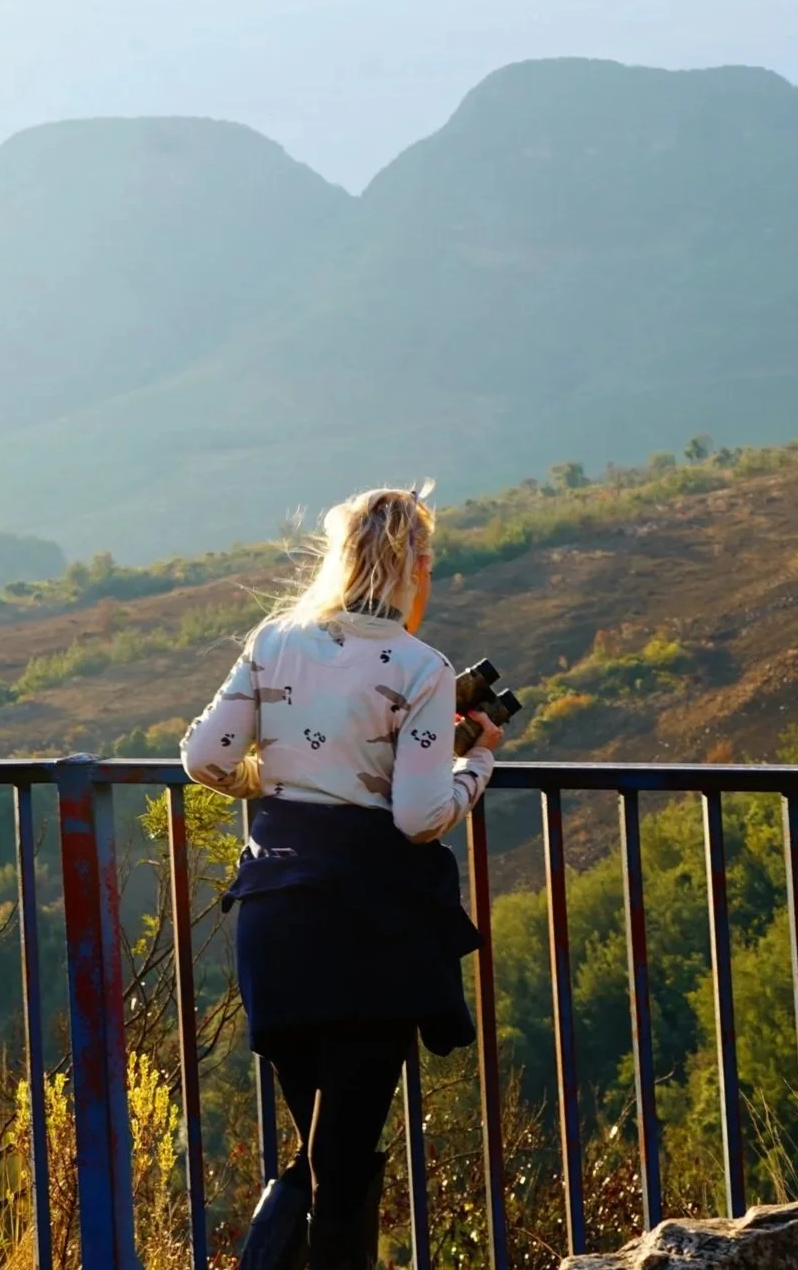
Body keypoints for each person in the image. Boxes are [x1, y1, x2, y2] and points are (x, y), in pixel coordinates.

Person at [182, 485, 504, 1270]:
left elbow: (205, 760)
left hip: (276, 916)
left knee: (323, 1152)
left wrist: (276, 780)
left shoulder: (274, 641)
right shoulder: (420, 668)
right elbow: (419, 816)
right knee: (344, 1161)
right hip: (367, 926)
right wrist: (479, 759)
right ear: (414, 569)